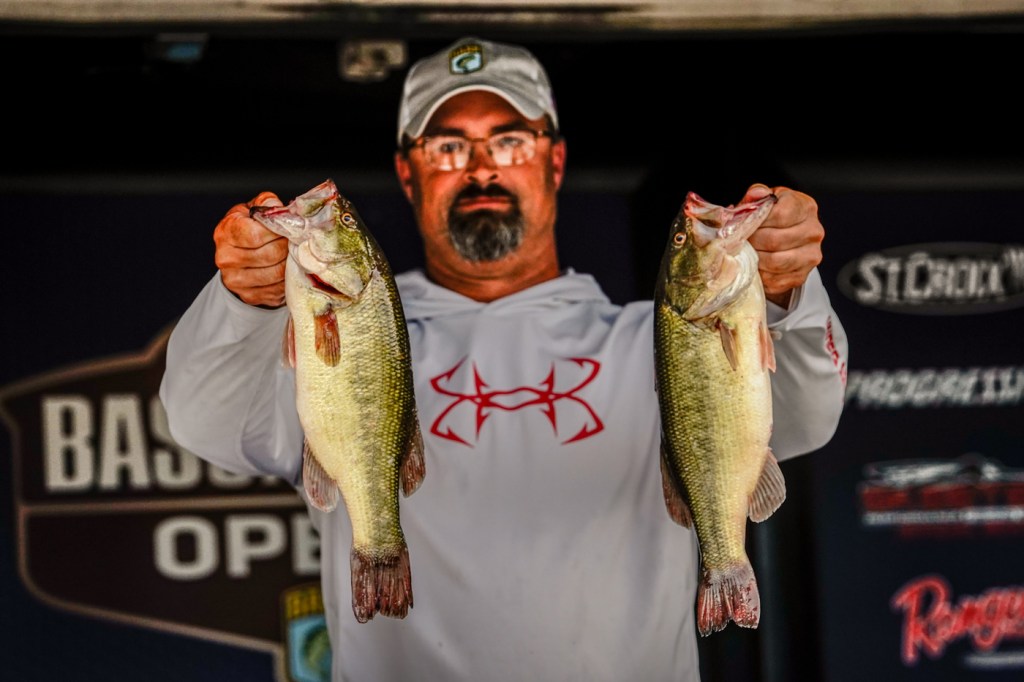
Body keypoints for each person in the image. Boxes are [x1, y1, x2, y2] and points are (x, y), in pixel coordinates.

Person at [160, 35, 848, 681]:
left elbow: (806, 415)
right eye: (447, 146)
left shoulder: (655, 339)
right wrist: (242, 299)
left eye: (510, 140)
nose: (481, 167)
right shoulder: (344, 342)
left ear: (555, 160)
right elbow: (203, 421)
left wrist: (787, 288)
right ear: (407, 173)